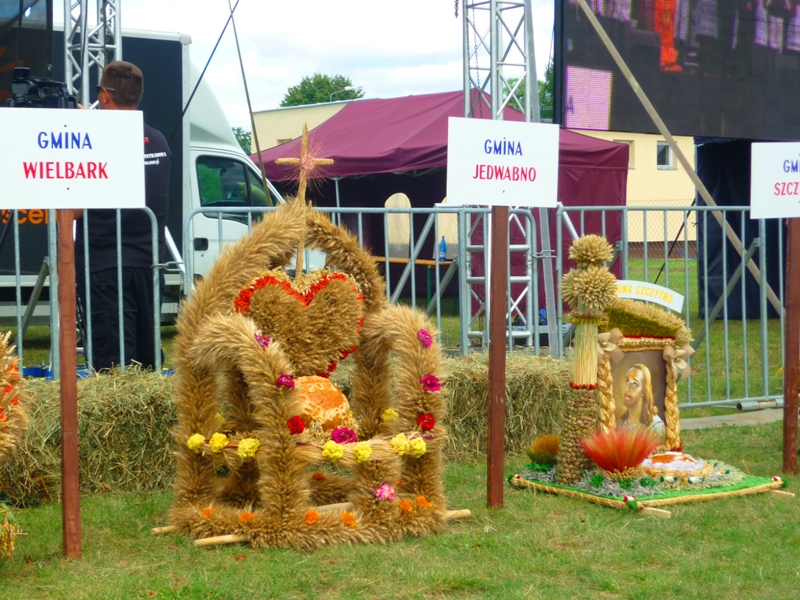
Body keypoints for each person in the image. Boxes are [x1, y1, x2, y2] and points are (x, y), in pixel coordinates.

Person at [74, 61, 171, 371]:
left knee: (113, 367)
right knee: (146, 360)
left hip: (104, 266)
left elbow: (72, 209)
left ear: (104, 95)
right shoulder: (157, 140)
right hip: (149, 264)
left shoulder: (96, 141)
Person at [617, 363, 666, 442]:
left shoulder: (654, 427)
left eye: (634, 383)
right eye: (627, 381)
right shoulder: (619, 425)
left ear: (644, 390)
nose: (627, 388)